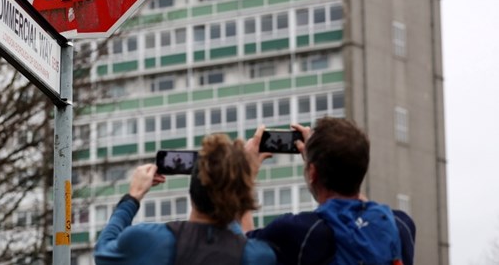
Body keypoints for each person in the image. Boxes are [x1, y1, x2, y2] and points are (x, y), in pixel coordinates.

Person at [243, 117, 416, 265]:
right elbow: (360, 208)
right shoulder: (401, 226)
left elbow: (238, 249)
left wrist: (245, 173)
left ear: (313, 173)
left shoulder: (299, 232)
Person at [94, 132, 276, 265]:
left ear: (192, 192)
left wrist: (133, 196)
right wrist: (241, 177)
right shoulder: (258, 256)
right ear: (240, 194)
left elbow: (103, 250)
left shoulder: (151, 240)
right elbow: (240, 237)